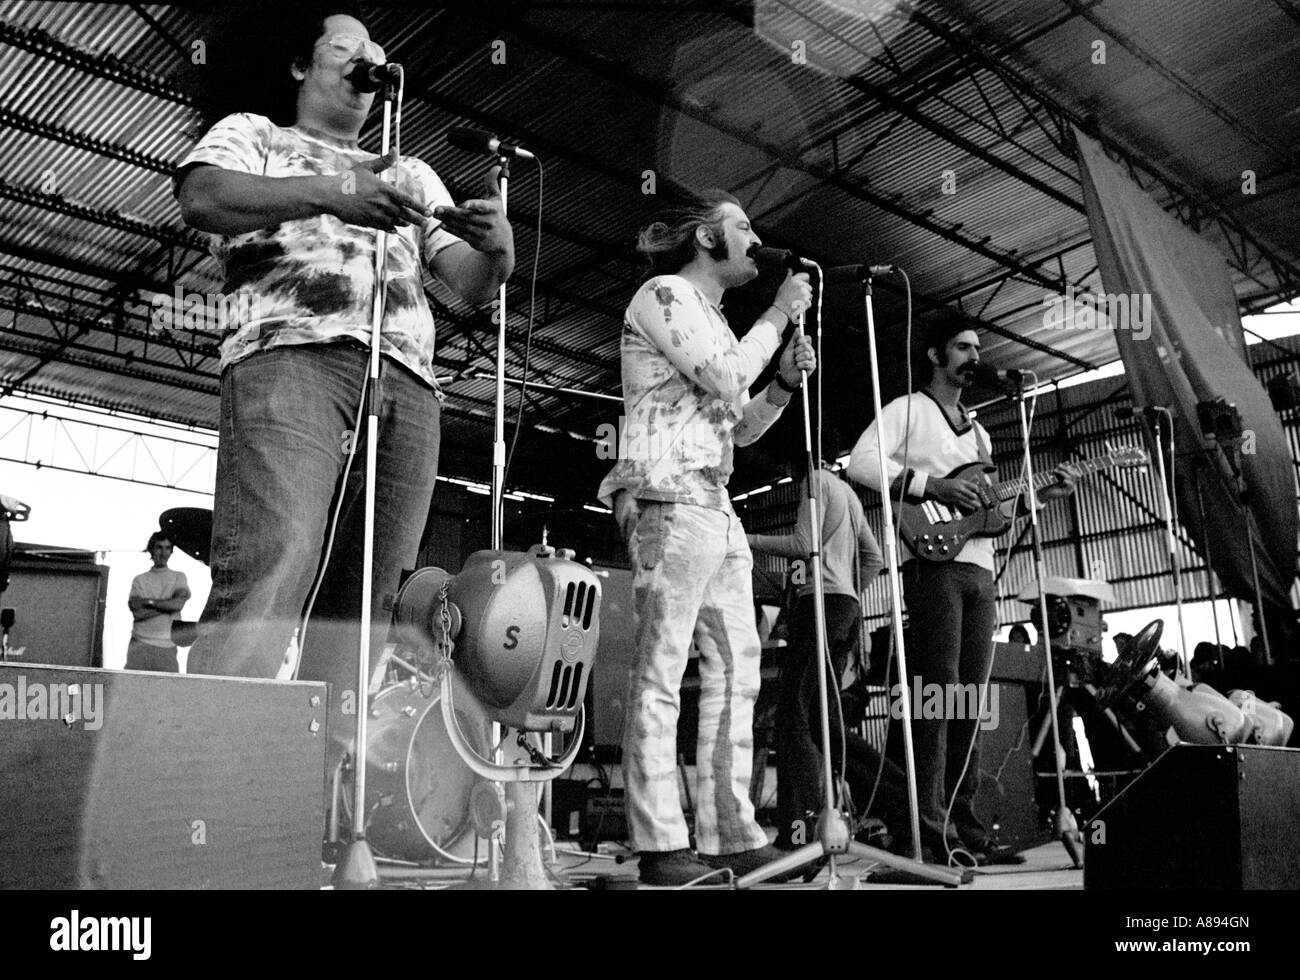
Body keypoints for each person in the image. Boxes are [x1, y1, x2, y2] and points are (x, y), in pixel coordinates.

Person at [174, 7, 513, 769]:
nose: (369, 62)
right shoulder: (257, 134)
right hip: (292, 359)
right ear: (303, 66)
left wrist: (500, 255)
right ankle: (207, 793)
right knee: (275, 559)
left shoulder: (412, 172)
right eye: (348, 48)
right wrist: (333, 191)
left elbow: (468, 285)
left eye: (378, 55)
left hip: (407, 385)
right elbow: (201, 196)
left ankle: (316, 798)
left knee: (369, 603)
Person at [597, 189, 815, 886]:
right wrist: (780, 315)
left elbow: (740, 425)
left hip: (715, 505)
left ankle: (729, 832)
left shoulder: (717, 319)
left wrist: (780, 385)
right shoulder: (663, 295)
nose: (756, 237)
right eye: (743, 226)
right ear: (706, 239)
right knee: (661, 670)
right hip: (666, 494)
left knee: (737, 668)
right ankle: (661, 844)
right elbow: (724, 378)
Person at [847, 311, 1080, 865]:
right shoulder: (907, 410)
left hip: (980, 571)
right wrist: (937, 486)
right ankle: (927, 834)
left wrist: (1038, 497)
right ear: (934, 355)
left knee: (969, 701)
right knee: (937, 695)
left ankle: (966, 829)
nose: (975, 356)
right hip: (934, 568)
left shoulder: (978, 429)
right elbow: (859, 462)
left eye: (977, 348)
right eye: (963, 347)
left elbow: (990, 509)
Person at [746, 454, 885, 849]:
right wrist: (850, 592)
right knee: (820, 723)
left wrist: (749, 539)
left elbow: (803, 545)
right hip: (845, 609)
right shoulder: (848, 493)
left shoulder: (814, 482)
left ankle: (815, 822)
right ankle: (801, 833)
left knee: (792, 720)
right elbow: (873, 558)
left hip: (820, 606)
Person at [126, 532, 191, 672]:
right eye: (159, 547)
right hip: (139, 644)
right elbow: (138, 614)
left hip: (166, 647)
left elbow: (177, 604)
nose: (163, 553)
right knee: (132, 690)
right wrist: (167, 606)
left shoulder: (178, 577)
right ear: (151, 550)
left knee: (166, 692)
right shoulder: (140, 580)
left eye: (168, 548)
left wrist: (148, 602)